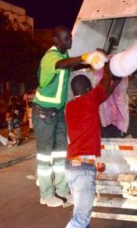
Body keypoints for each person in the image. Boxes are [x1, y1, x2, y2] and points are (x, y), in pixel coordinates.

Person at [32, 25, 107, 207]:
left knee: (60, 155)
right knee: (44, 156)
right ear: (56, 40)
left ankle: (62, 190)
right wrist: (84, 57)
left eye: (70, 38)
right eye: (66, 38)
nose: (69, 41)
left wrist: (90, 62)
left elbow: (71, 65)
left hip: (57, 112)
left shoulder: (64, 55)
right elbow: (61, 65)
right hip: (43, 113)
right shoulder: (51, 58)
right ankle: (46, 194)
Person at [64, 62, 120, 228]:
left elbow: (103, 94)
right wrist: (109, 63)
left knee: (81, 215)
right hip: (82, 169)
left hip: (71, 166)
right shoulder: (89, 101)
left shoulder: (70, 106)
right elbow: (104, 81)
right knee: (80, 219)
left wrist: (114, 85)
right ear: (88, 89)